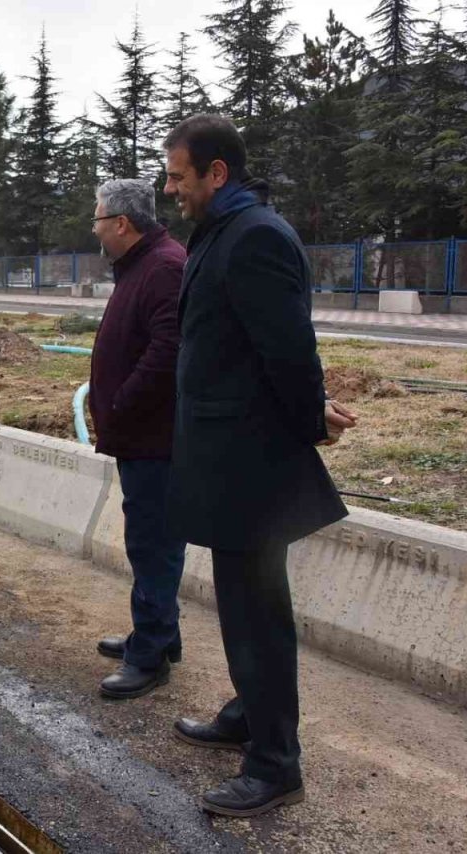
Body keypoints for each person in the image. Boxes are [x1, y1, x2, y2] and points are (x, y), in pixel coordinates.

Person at [162, 115, 358, 816]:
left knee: (259, 614)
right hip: (226, 455)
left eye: (179, 176)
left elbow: (288, 351)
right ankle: (250, 712)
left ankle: (275, 763)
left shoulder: (256, 238)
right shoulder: (223, 230)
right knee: (242, 606)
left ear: (217, 174)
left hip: (252, 462)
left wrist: (313, 418)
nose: (170, 188)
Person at [87, 179, 188, 701]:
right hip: (140, 436)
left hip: (154, 439)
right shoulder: (144, 265)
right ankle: (158, 635)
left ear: (121, 224)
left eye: (98, 220)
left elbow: (169, 351)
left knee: (154, 546)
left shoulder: (165, 267)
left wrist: (121, 402)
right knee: (149, 543)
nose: (96, 229)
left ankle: (149, 656)